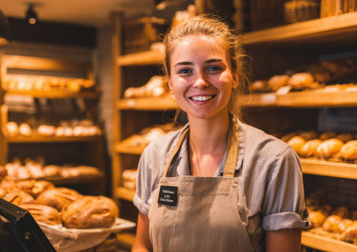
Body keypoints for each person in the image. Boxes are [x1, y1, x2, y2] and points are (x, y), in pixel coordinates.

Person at [132, 15, 309, 252]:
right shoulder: (155, 155)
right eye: (185, 71)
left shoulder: (275, 160)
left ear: (234, 76)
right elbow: (142, 245)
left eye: (213, 68)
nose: (201, 82)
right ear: (170, 83)